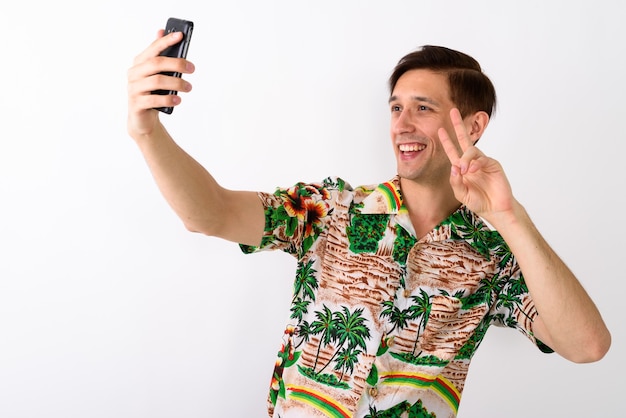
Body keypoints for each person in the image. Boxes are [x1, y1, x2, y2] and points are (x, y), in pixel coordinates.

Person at [127, 29, 611, 418]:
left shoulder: (493, 256)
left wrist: (510, 218)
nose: (402, 123)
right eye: (397, 107)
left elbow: (588, 346)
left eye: (424, 108)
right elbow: (208, 212)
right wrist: (147, 132)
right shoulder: (329, 210)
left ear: (473, 127)